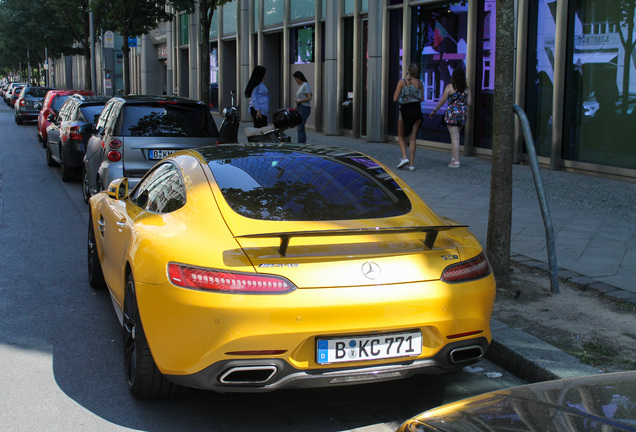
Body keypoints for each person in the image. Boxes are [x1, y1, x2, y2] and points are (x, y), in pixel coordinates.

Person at [430, 67, 472, 168]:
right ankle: (453, 158)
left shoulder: (450, 87)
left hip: (452, 114)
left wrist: (434, 111)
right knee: (455, 137)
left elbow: (442, 101)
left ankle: (456, 161)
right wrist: (461, 102)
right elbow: (469, 103)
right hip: (462, 114)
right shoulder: (466, 89)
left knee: (455, 138)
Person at [393, 62, 423, 171]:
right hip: (417, 110)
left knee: (401, 135)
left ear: (407, 70)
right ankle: (411, 164)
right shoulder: (420, 83)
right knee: (413, 138)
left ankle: (404, 157)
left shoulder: (402, 82)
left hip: (405, 110)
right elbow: (421, 99)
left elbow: (395, 98)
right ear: (416, 72)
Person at [293, 71, 312, 143]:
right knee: (300, 126)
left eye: (296, 79)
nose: (295, 81)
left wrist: (300, 101)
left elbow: (309, 97)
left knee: (300, 126)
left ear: (299, 78)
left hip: (304, 107)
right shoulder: (301, 86)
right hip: (299, 107)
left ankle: (301, 143)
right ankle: (301, 142)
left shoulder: (305, 85)